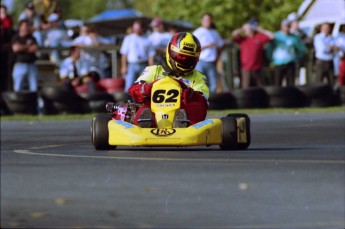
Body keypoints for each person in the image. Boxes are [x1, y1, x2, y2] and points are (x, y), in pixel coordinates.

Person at [108, 32, 209, 128]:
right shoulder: (154, 70)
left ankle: (182, 122)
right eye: (181, 57)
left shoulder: (198, 77)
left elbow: (204, 100)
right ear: (170, 51)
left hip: (182, 111)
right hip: (154, 110)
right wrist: (145, 89)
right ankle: (146, 122)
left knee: (197, 107)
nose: (184, 61)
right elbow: (133, 90)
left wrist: (191, 94)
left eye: (189, 59)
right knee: (145, 108)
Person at [232, 19, 274, 88]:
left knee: (259, 88)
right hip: (246, 68)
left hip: (258, 68)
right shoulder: (243, 39)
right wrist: (242, 28)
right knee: (246, 88)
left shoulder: (258, 37)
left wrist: (260, 30)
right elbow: (234, 34)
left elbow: (272, 36)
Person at [193, 13, 224, 94]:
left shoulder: (214, 33)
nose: (208, 22)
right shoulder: (197, 32)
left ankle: (211, 102)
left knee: (213, 83)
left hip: (212, 62)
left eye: (209, 20)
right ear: (202, 21)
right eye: (206, 20)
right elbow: (194, 49)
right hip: (200, 61)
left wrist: (218, 56)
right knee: (200, 82)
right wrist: (207, 46)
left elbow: (220, 45)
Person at [120, 20, 155, 91]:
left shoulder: (147, 39)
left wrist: (151, 68)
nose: (136, 30)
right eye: (134, 28)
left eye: (138, 29)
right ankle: (128, 100)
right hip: (132, 65)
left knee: (143, 85)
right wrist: (124, 66)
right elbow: (124, 53)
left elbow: (151, 54)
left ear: (142, 29)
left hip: (143, 64)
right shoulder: (128, 38)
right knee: (129, 85)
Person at [271, 19, 306, 86]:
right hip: (278, 63)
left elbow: (301, 49)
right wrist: (271, 59)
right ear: (281, 27)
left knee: (290, 84)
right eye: (285, 26)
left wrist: (296, 57)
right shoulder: (276, 36)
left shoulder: (294, 38)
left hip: (290, 62)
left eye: (288, 26)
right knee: (277, 83)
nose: (286, 28)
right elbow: (270, 48)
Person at [11, 19, 38, 92]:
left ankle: (33, 103)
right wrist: (27, 46)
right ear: (20, 27)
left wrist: (22, 47)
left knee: (34, 88)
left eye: (27, 26)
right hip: (20, 65)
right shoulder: (16, 38)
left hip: (31, 65)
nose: (26, 28)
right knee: (18, 88)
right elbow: (16, 48)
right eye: (24, 26)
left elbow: (35, 48)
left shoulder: (32, 38)